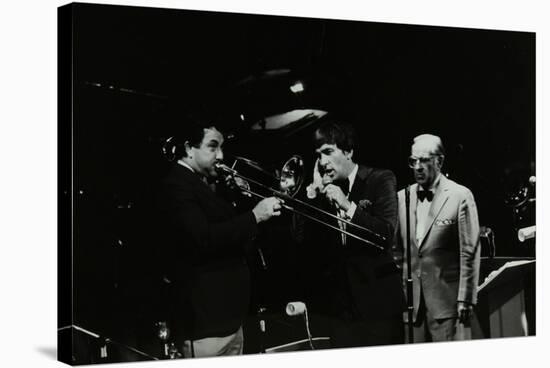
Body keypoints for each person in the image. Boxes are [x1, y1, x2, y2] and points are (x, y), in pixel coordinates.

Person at [157, 119, 282, 357]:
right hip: (204, 323)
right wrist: (254, 216)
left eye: (222, 147)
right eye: (213, 147)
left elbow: (233, 232)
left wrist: (240, 196)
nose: (221, 155)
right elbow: (203, 238)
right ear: (188, 149)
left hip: (230, 319)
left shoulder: (208, 184)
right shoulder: (176, 184)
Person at [297, 121, 406, 348]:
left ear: (348, 151)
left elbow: (385, 235)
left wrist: (347, 205)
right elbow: (301, 240)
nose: (322, 162)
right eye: (318, 155)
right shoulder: (323, 191)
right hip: (341, 311)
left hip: (380, 307)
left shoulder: (380, 179)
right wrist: (311, 194)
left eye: (328, 152)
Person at [396, 134, 481, 342]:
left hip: (447, 305)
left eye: (424, 160)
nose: (418, 166)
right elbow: (396, 251)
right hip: (412, 306)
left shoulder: (460, 195)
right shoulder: (401, 197)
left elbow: (469, 252)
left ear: (440, 161)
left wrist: (466, 299)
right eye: (413, 161)